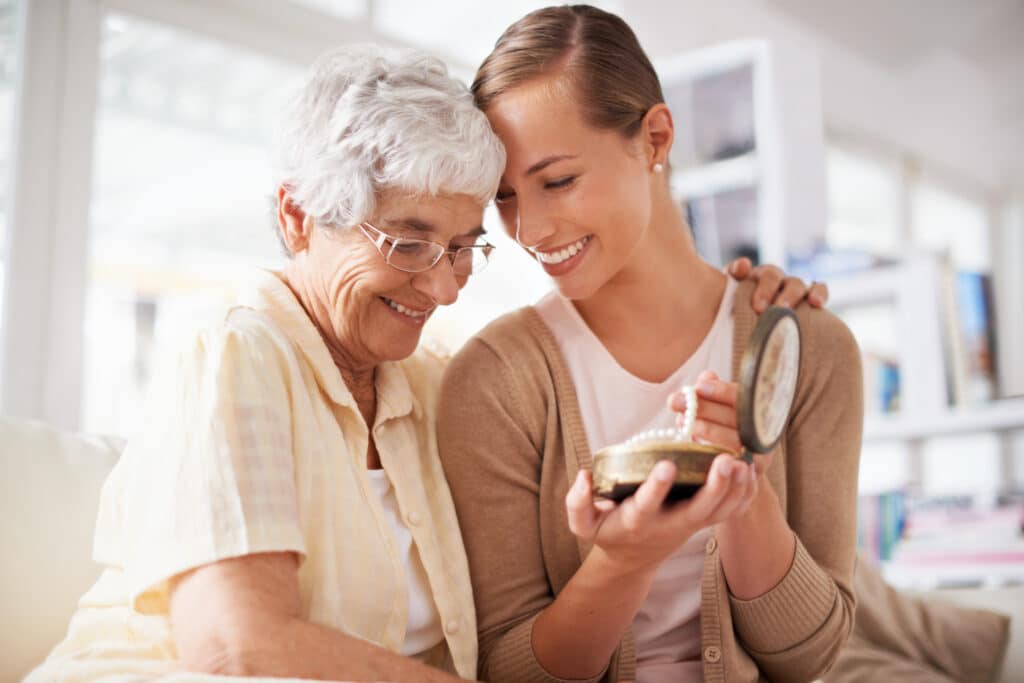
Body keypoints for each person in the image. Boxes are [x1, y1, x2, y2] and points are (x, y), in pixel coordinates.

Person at [28, 43, 824, 683]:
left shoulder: (432, 381)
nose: (442, 285)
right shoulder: (239, 348)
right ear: (298, 216)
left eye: (462, 246)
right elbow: (237, 644)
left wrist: (746, 302)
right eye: (408, 242)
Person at [438, 6, 862, 683]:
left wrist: (744, 497)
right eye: (506, 197)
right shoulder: (492, 381)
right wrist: (623, 560)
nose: (531, 229)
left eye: (557, 180)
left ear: (655, 138)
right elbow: (508, 670)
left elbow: (810, 655)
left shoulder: (807, 347)